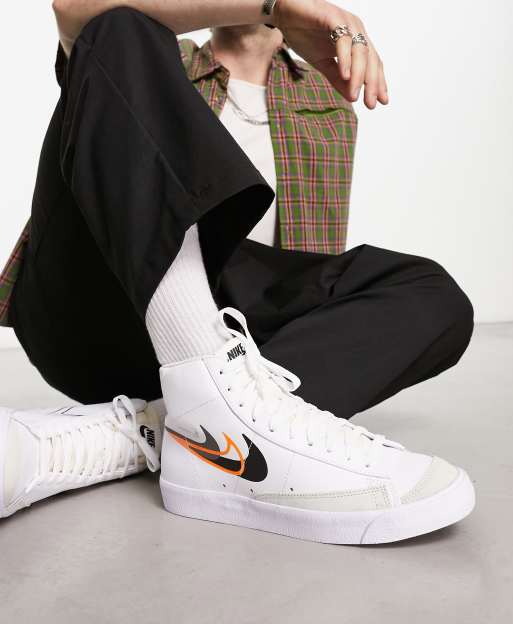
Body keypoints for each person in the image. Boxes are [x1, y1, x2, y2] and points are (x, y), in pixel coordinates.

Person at [0, 0, 475, 543]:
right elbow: (73, 8)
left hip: (237, 334)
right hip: (104, 304)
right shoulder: (151, 53)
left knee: (436, 296)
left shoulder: (327, 101)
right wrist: (275, 7)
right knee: (121, 24)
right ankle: (205, 399)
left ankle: (155, 430)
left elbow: (304, 269)